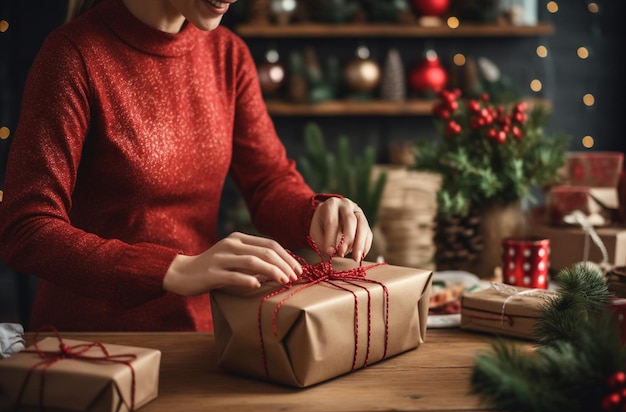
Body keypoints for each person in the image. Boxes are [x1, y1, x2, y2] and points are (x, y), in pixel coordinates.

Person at [0, 0, 373, 332]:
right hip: (92, 346)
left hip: (202, 338)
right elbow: (26, 228)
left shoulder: (228, 55)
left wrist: (316, 214)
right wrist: (172, 269)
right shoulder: (73, 54)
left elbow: (269, 182)